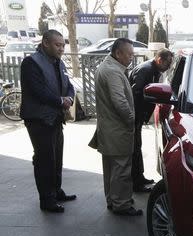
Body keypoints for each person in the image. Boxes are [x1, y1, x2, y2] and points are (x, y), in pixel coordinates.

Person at [19, 29, 76, 213]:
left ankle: (56, 191)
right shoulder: (31, 62)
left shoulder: (59, 63)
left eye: (63, 45)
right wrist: (61, 101)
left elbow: (69, 85)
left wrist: (69, 97)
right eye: (57, 45)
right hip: (38, 119)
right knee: (44, 159)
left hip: (56, 118)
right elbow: (37, 90)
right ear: (45, 43)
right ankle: (47, 199)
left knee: (57, 157)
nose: (61, 49)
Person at [89, 38, 142, 216]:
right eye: (129, 54)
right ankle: (122, 204)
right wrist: (131, 120)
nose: (131, 58)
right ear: (118, 53)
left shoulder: (107, 66)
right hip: (117, 129)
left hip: (109, 128)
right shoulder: (113, 71)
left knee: (111, 168)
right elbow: (119, 101)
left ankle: (113, 199)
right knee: (121, 169)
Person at [128, 48, 174, 192]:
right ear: (160, 60)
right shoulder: (146, 70)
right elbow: (136, 94)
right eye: (168, 63)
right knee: (134, 148)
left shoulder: (153, 70)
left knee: (137, 147)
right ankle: (136, 182)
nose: (168, 67)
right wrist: (136, 118)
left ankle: (139, 177)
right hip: (134, 116)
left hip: (138, 117)